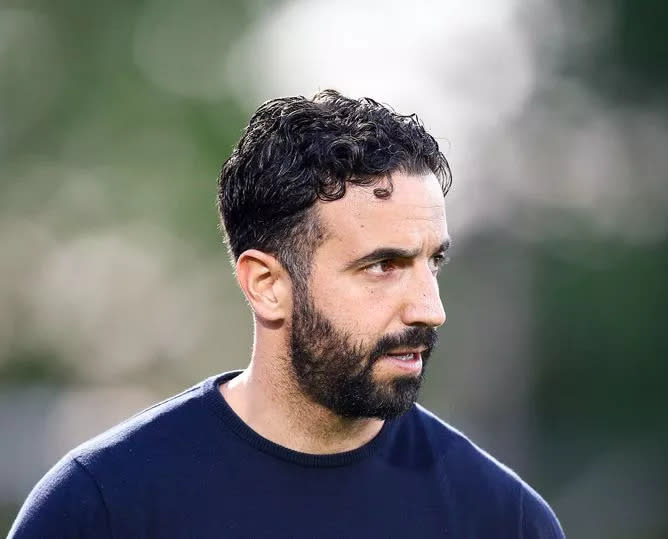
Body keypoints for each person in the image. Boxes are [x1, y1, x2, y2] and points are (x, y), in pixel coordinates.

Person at [8, 90, 565, 538]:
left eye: (432, 262)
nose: (430, 309)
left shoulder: (501, 518)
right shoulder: (102, 506)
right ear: (267, 285)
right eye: (382, 266)